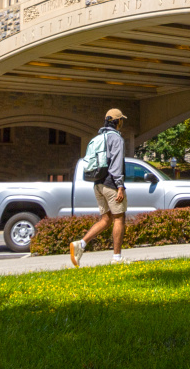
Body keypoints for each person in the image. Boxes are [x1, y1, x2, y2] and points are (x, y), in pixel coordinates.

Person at [70, 108, 128, 266]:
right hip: (111, 184)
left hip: (97, 184)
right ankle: (117, 258)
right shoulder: (116, 139)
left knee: (106, 219)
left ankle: (80, 244)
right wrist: (120, 186)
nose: (122, 122)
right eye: (121, 120)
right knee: (119, 218)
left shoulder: (99, 137)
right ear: (117, 122)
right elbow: (116, 164)